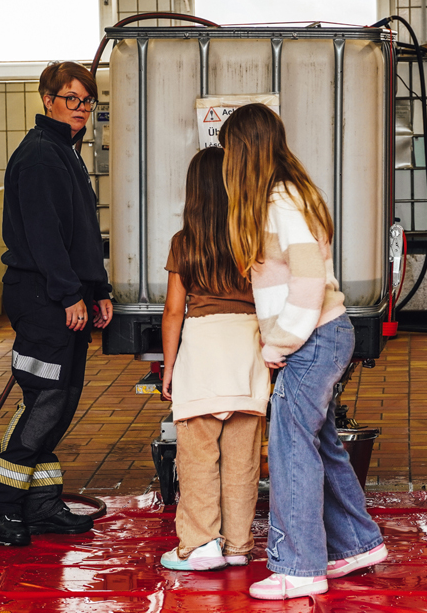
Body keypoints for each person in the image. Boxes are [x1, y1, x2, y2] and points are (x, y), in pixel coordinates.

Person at [220, 103, 387, 600]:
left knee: (291, 448)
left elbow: (309, 280)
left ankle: (299, 568)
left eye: (228, 150)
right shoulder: (292, 194)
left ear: (243, 152)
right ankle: (356, 544)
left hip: (313, 337)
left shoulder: (280, 202)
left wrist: (280, 341)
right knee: (320, 443)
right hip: (324, 334)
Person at [0, 61, 114, 546]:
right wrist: (69, 293)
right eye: (71, 98)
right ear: (47, 99)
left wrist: (97, 290)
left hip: (61, 296)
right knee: (45, 399)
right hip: (43, 297)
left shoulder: (64, 152)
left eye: (87, 100)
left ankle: (41, 505)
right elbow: (44, 235)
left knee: (60, 401)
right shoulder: (41, 156)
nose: (80, 108)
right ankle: (1, 508)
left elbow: (80, 234)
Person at [158, 147, 271, 571]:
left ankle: (200, 544)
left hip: (202, 351)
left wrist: (170, 367)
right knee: (243, 459)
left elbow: (174, 311)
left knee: (198, 457)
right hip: (248, 348)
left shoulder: (184, 242)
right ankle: (238, 546)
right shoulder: (253, 238)